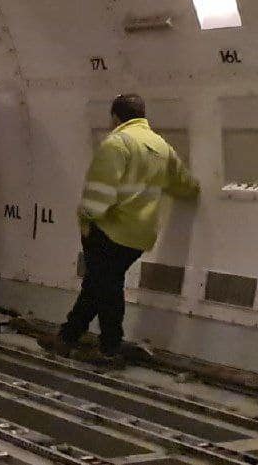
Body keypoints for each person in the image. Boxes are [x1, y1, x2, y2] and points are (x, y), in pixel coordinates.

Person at [42, 93, 200, 365]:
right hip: (140, 236)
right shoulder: (161, 146)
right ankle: (67, 338)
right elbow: (186, 185)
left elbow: (99, 194)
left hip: (110, 231)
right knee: (98, 284)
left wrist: (86, 220)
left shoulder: (116, 144)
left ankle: (109, 349)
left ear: (115, 117)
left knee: (107, 288)